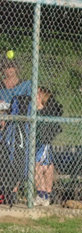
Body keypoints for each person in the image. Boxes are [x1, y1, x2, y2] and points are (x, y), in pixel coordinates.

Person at [0, 58, 33, 203]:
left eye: (12, 67)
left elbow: (28, 106)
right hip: (2, 125)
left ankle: (13, 191)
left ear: (17, 69)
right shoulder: (1, 86)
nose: (9, 70)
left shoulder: (25, 85)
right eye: (6, 67)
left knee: (17, 155)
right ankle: (3, 189)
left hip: (18, 127)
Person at [33, 86, 62, 206]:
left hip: (44, 144)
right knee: (45, 165)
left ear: (40, 98)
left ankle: (42, 195)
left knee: (37, 166)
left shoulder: (45, 112)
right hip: (42, 144)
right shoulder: (40, 112)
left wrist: (39, 106)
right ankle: (46, 195)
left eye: (36, 95)